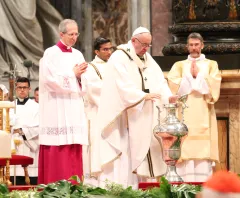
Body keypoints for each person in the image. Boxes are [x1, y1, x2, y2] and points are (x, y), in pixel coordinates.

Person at [91, 27, 178, 188]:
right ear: (133, 41)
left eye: (149, 45)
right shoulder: (119, 57)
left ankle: (142, 186)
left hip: (141, 113)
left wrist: (168, 96)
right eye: (144, 44)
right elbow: (122, 85)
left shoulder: (146, 58)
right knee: (125, 152)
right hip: (123, 115)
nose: (146, 48)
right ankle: (121, 188)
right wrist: (142, 96)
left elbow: (159, 81)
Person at [38, 19, 88, 184]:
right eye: (71, 34)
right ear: (61, 34)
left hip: (73, 107)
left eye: (76, 34)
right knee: (58, 148)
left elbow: (85, 82)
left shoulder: (78, 54)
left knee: (74, 145)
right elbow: (49, 81)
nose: (74, 37)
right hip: (56, 106)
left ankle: (75, 186)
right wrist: (72, 73)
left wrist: (80, 78)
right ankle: (54, 185)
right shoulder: (50, 54)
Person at [167, 32, 222, 182]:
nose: (194, 48)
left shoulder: (211, 64)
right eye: (191, 45)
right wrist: (190, 78)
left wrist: (198, 76)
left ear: (202, 45)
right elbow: (173, 88)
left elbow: (214, 89)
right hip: (184, 112)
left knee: (202, 152)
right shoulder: (178, 66)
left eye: (197, 45)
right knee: (184, 148)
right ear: (187, 46)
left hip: (203, 111)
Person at [81, 37, 113, 184]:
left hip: (115, 114)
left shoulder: (115, 65)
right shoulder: (90, 68)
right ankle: (95, 182)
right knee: (97, 146)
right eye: (105, 49)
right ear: (96, 51)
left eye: (110, 48)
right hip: (96, 113)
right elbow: (94, 91)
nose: (109, 52)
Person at [10, 77, 39, 185]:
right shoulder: (10, 106)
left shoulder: (36, 107)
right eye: (19, 88)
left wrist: (22, 131)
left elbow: (39, 128)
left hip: (29, 145)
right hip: (13, 145)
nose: (22, 90)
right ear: (16, 89)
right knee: (14, 181)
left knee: (31, 184)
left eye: (24, 88)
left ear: (29, 89)